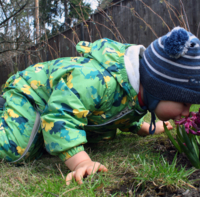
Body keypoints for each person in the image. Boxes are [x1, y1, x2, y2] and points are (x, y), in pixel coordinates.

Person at [0, 27, 199, 185]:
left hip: (54, 104)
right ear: (160, 88)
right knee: (18, 150)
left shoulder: (140, 92)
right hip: (31, 95)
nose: (186, 111)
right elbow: (61, 114)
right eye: (183, 102)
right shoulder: (98, 81)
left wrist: (143, 127)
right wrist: (81, 162)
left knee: (47, 140)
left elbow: (118, 112)